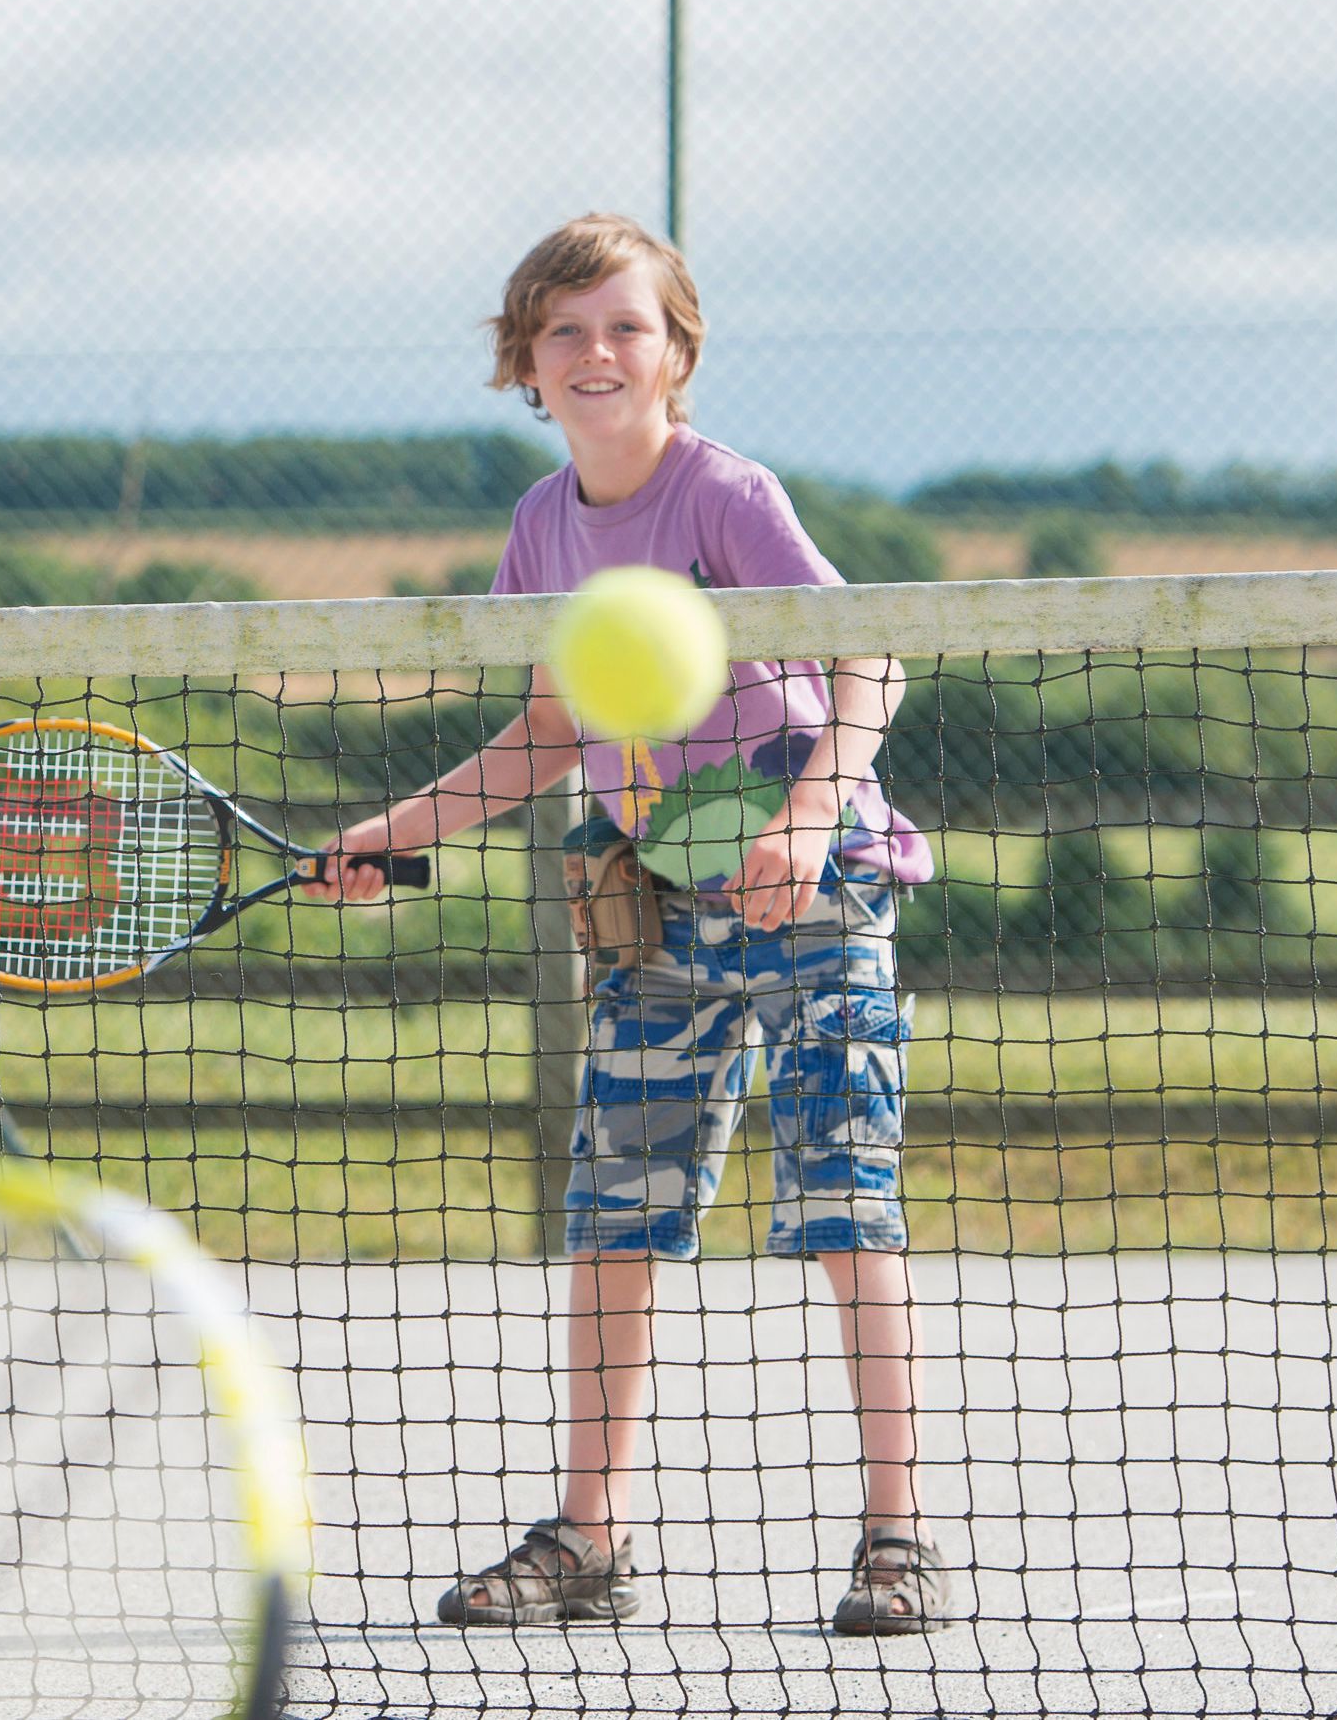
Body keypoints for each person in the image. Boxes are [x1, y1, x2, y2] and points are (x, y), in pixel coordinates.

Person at [306, 211, 951, 1636]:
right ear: (526, 364)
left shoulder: (728, 494)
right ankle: (587, 1540)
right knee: (614, 1217)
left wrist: (802, 817)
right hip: (651, 911)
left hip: (818, 888)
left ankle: (896, 1537)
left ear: (677, 351)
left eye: (625, 327)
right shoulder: (542, 527)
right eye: (564, 331)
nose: (596, 352)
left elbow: (873, 660)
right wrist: (384, 837)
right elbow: (544, 738)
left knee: (849, 1203)